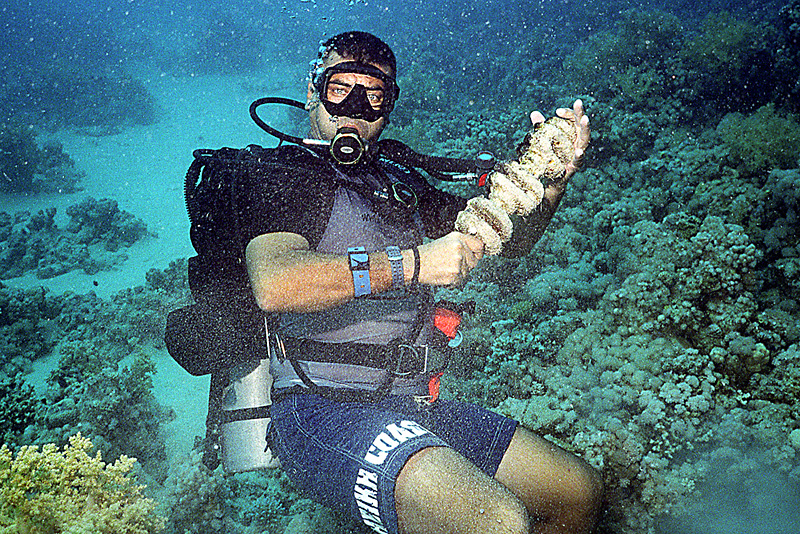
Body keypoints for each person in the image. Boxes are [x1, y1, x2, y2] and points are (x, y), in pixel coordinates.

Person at [237, 31, 603, 534]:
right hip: (320, 407)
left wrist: (550, 180)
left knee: (577, 492)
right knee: (498, 521)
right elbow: (277, 283)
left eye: (374, 95)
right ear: (311, 93)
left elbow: (511, 239)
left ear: (389, 106)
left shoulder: (399, 184)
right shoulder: (279, 176)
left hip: (411, 403)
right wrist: (413, 263)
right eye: (340, 89)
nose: (355, 109)